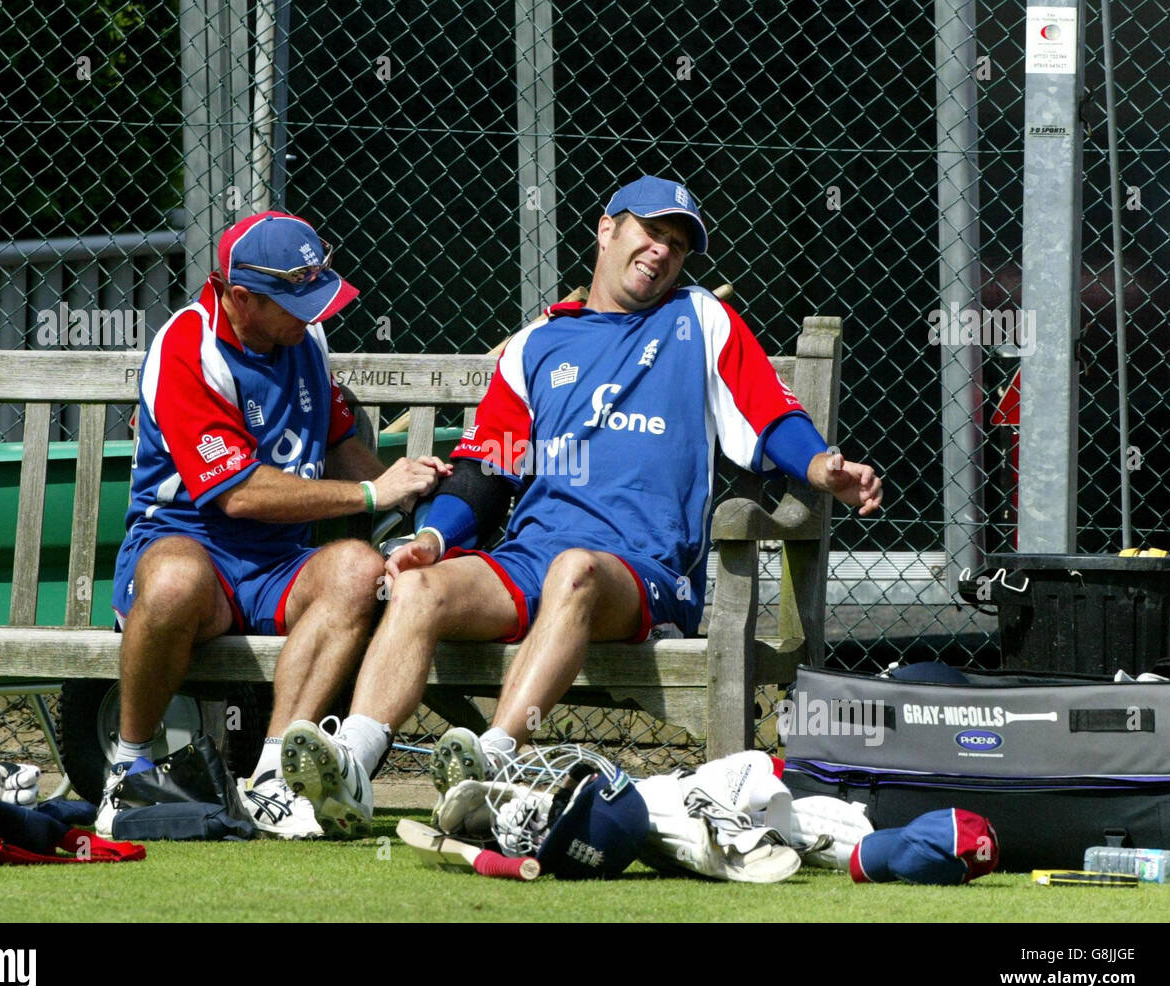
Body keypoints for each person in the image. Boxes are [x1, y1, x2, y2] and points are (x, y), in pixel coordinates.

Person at [277, 175, 883, 837]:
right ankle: (354, 772)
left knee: (576, 569)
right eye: (652, 232)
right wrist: (431, 539)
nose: (663, 252)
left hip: (640, 572)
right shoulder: (538, 344)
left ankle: (491, 769)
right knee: (420, 584)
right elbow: (487, 469)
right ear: (606, 230)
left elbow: (770, 415)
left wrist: (824, 466)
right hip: (530, 559)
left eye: (678, 245)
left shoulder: (702, 319)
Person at [96, 210, 449, 839]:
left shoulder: (302, 340)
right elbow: (237, 495)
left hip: (279, 565)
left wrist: (412, 495)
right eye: (295, 302)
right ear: (240, 298)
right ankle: (129, 770)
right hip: (186, 544)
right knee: (174, 582)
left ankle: (273, 781)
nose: (312, 315)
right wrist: (372, 493)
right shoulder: (187, 346)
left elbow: (342, 442)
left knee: (358, 568)